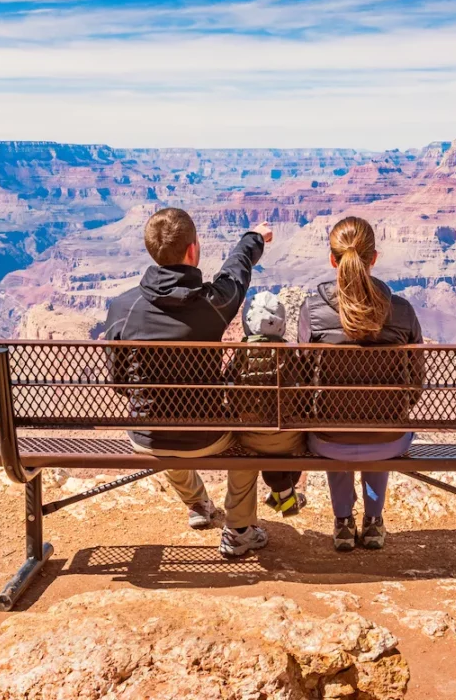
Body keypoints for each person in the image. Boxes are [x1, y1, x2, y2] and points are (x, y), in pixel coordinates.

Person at [103, 207, 274, 557]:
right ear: (193, 251)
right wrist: (254, 238)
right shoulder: (214, 303)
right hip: (206, 436)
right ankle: (239, 528)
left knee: (163, 431)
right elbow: (236, 271)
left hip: (147, 436)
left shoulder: (124, 307)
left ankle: (198, 504)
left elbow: (120, 383)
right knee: (252, 439)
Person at [297, 216, 423, 552]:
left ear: (332, 260)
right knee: (377, 418)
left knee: (334, 417)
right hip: (389, 438)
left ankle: (342, 522)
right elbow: (416, 384)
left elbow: (301, 380)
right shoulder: (402, 311)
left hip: (328, 440)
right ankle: (373, 522)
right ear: (374, 258)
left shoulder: (312, 311)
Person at [233, 291, 307, 516]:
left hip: (249, 436)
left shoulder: (240, 356)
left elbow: (233, 396)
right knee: (282, 438)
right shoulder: (290, 357)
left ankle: (283, 494)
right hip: (289, 438)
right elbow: (303, 399)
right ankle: (284, 494)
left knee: (263, 434)